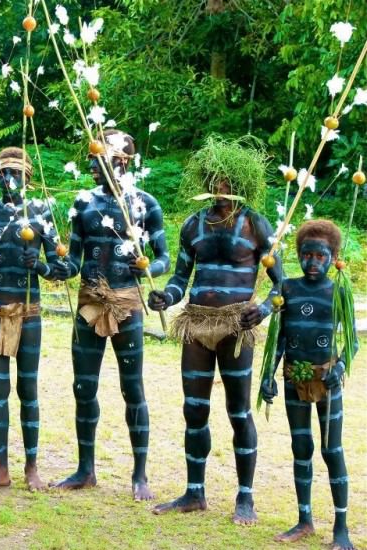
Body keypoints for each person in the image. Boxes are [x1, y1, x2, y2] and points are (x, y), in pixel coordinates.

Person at [148, 137, 282, 524]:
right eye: (215, 182)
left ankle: (245, 497)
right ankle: (194, 492)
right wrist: (166, 297)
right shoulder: (193, 225)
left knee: (238, 411)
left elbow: (280, 285)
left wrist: (262, 311)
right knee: (195, 410)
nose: (220, 190)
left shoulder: (256, 224)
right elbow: (180, 277)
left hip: (238, 324)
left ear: (240, 182)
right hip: (197, 323)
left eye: (227, 182)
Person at [52, 130, 169, 500]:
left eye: (98, 158)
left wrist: (147, 266)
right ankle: (86, 469)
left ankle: (139, 475)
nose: (91, 165)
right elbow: (73, 260)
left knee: (131, 387)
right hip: (89, 303)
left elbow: (163, 256)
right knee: (83, 387)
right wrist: (50, 265)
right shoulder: (83, 204)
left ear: (120, 162)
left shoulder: (145, 204)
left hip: (127, 304)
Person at [0, 147, 68, 491]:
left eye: (17, 175)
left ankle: (31, 467)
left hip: (29, 312)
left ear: (28, 178)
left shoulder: (40, 213)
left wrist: (38, 265)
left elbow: (64, 268)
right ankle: (0, 469)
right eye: (3, 175)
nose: (9, 181)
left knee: (28, 388)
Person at [260, 220, 356, 550]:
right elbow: (279, 338)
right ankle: (304, 519)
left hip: (327, 380)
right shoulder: (287, 289)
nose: (313, 262)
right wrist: (267, 375)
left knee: (332, 451)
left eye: (321, 255)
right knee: (301, 448)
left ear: (334, 257)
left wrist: (340, 365)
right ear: (298, 255)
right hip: (294, 378)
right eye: (306, 255)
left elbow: (353, 341)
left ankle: (341, 528)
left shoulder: (339, 291)